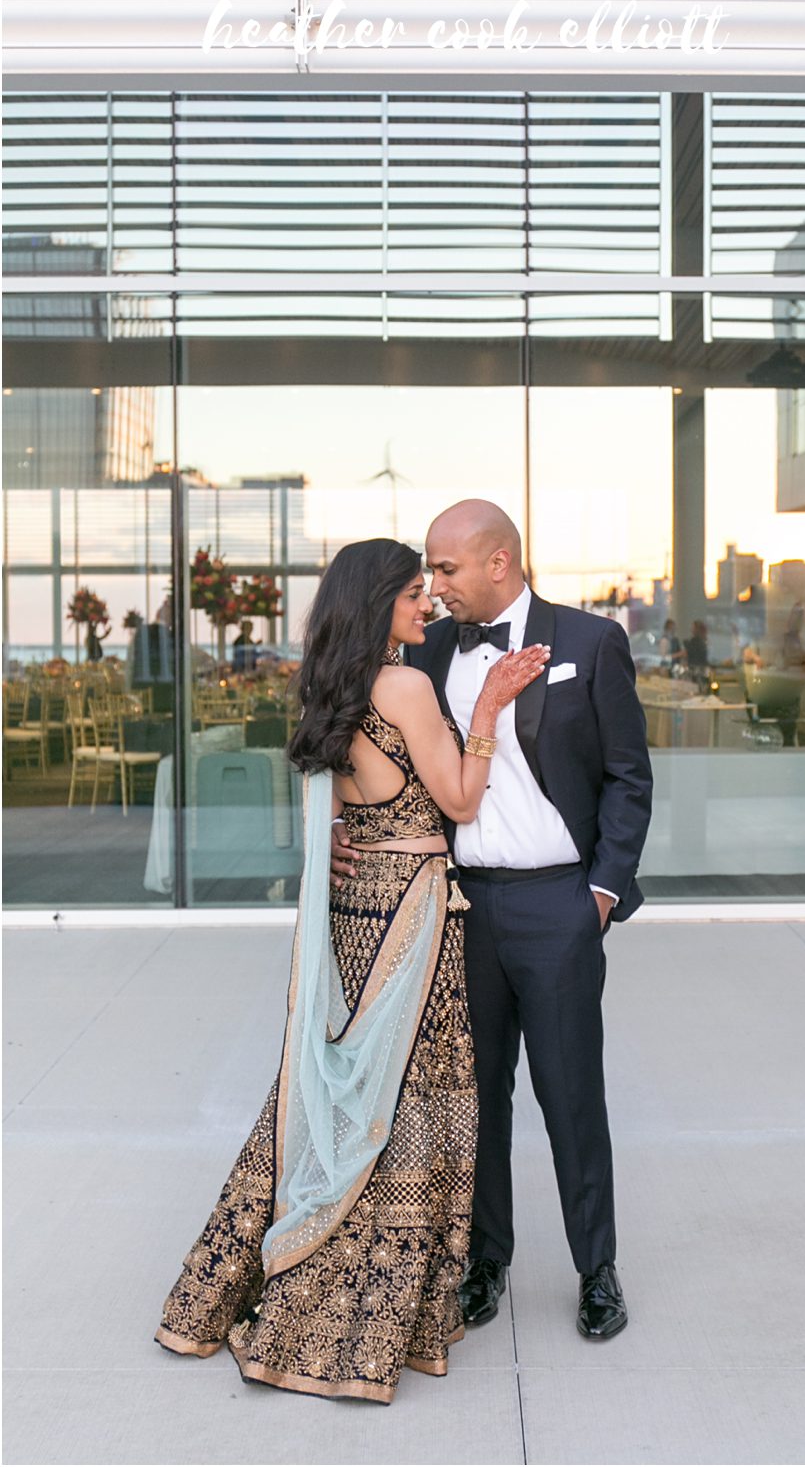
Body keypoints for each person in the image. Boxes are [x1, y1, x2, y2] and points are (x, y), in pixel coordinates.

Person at [156, 538, 547, 1401]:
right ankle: (360, 1311)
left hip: (353, 911)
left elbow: (336, 799)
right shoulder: (405, 685)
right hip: (411, 907)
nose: (428, 606)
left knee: (343, 1083)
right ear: (380, 603)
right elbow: (460, 800)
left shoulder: (327, 685)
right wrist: (486, 707)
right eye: (415, 593)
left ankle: (233, 1285)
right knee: (406, 1099)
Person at [334, 500, 652, 1341]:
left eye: (446, 570)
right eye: (427, 574)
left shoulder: (590, 643)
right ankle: (485, 1264)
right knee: (474, 1102)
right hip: (455, 904)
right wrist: (338, 829)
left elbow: (628, 776)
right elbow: (359, 740)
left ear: (500, 562)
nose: (433, 590)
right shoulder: (424, 654)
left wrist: (601, 894)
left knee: (570, 1095)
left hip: (559, 905)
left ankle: (597, 1270)